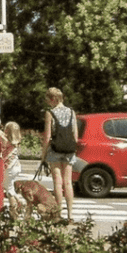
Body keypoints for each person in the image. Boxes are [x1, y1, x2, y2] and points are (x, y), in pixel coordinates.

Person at [41, 87, 77, 221]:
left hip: (55, 150)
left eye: (47, 100)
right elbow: (75, 134)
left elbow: (47, 136)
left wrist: (43, 155)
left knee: (57, 182)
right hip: (69, 150)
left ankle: (58, 213)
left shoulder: (50, 113)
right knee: (68, 182)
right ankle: (70, 214)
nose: (47, 102)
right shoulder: (72, 112)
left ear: (53, 99)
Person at [0, 115, 25, 217]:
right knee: (9, 187)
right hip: (16, 166)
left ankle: (15, 210)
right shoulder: (15, 140)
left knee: (9, 189)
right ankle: (19, 203)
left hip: (9, 167)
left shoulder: (6, 140)